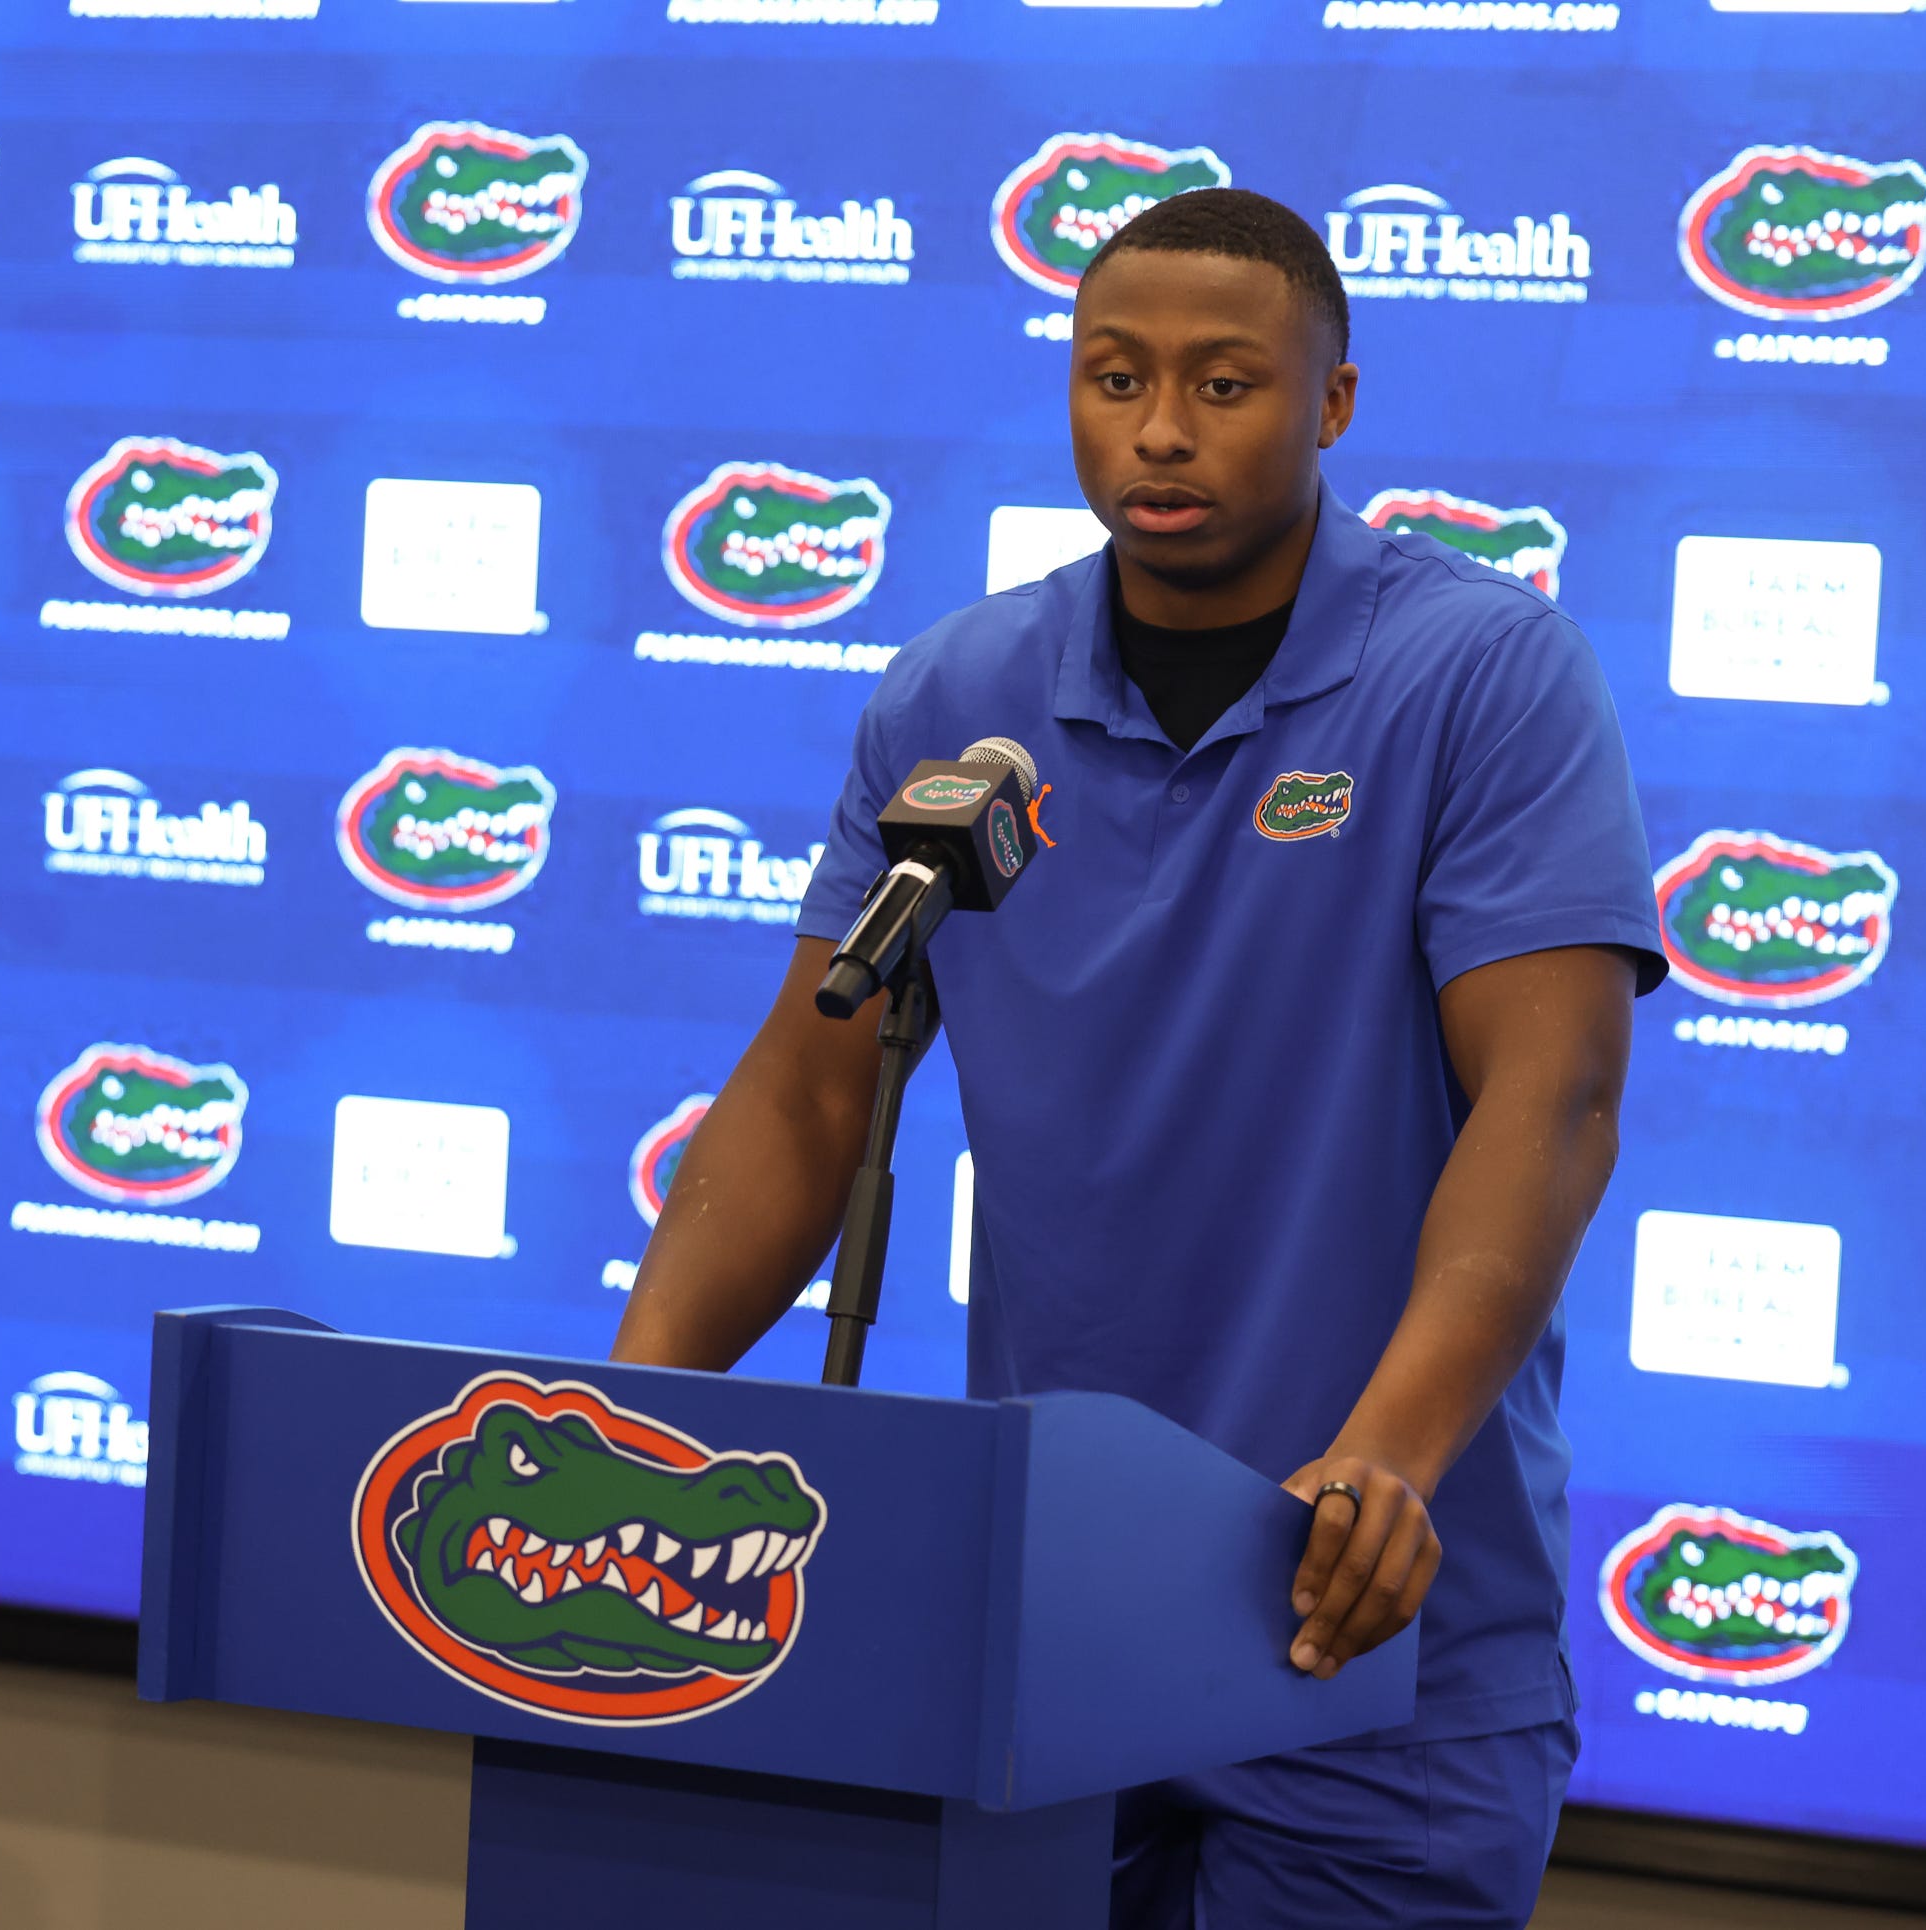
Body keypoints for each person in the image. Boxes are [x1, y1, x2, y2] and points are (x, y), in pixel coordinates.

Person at [611, 187, 1664, 1929]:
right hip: (1048, 1607)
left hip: (1365, 1615)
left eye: (1224, 383)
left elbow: (1548, 1102)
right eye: (1112, 378)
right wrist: (624, 1415)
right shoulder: (957, 695)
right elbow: (805, 1094)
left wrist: (1386, 1455)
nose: (1159, 429)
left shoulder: (1484, 675)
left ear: (1331, 401)